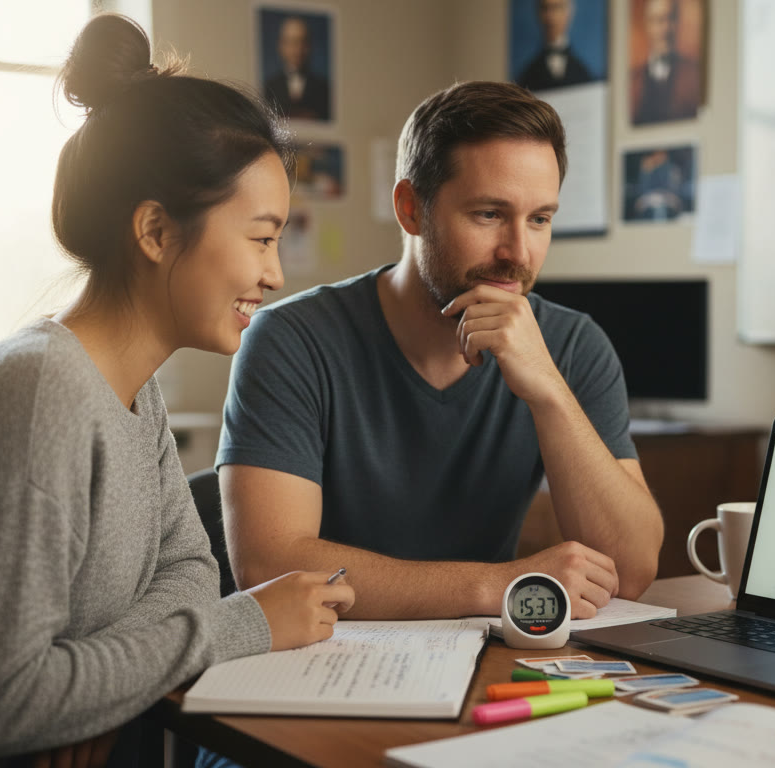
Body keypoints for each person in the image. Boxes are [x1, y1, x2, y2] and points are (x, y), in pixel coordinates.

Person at [0, 14, 353, 768]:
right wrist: (243, 625)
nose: (277, 274)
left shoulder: (133, 390)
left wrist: (90, 688)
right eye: (259, 236)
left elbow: (190, 573)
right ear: (155, 231)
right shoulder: (37, 396)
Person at [217, 81, 665, 622]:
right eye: (489, 215)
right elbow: (271, 563)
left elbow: (632, 570)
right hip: (328, 658)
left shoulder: (574, 345)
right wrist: (497, 584)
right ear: (411, 209)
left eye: (540, 219)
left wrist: (548, 391)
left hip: (486, 660)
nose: (518, 253)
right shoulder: (290, 341)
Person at [630, 0, 703, 125]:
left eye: (670, 19)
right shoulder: (632, 80)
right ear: (647, 25)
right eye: (658, 20)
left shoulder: (693, 73)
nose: (665, 29)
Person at [262, 15, 332, 121]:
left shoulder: (325, 88)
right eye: (293, 42)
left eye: (303, 42)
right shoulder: (268, 87)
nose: (298, 49)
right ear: (282, 46)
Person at [516, 0, 595, 91]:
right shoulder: (527, 75)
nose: (550, 17)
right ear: (538, 14)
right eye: (545, 8)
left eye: (557, 8)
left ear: (569, 13)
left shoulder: (584, 72)